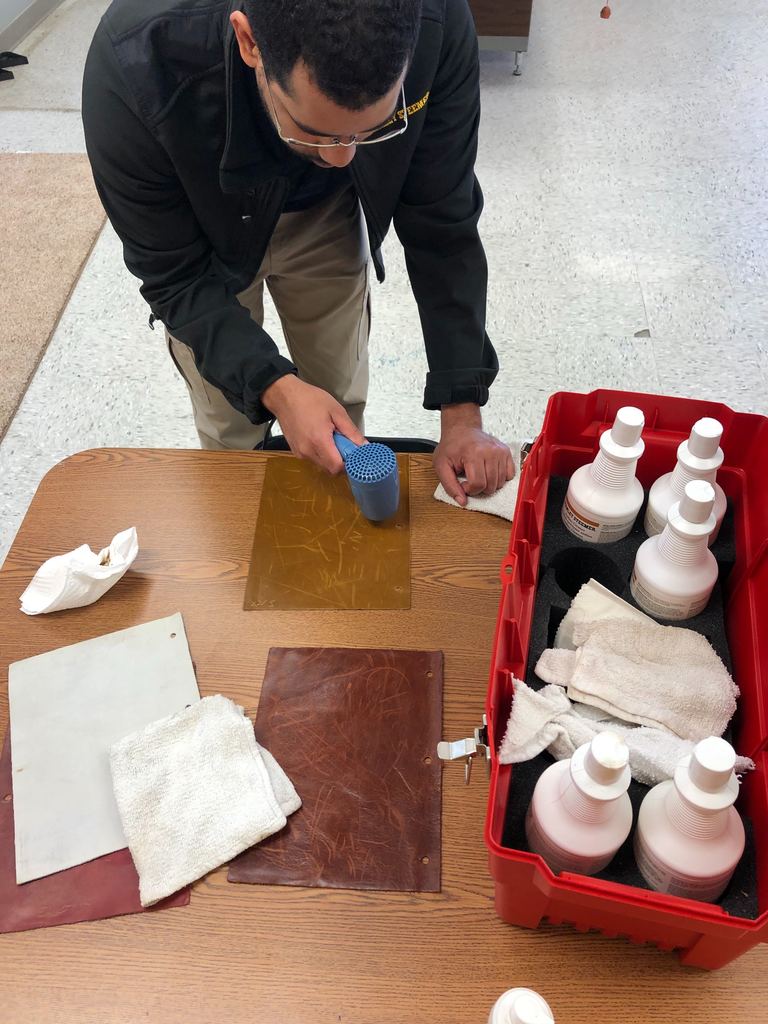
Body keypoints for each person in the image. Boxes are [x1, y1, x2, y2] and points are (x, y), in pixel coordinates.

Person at [82, 0, 514, 504]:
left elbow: (443, 219)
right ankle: (240, 519)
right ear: (249, 42)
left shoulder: (435, 19)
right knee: (230, 417)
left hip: (326, 217)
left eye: (371, 130)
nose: (341, 158)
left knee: (336, 397)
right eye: (315, 131)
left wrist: (462, 414)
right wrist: (275, 387)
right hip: (204, 226)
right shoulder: (135, 59)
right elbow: (175, 278)